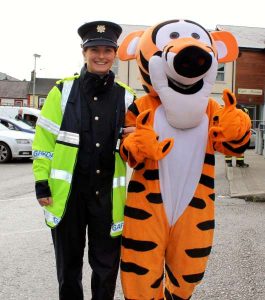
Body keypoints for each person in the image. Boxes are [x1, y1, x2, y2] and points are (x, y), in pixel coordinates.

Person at [32, 20, 135, 300]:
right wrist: (42, 182)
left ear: (115, 54)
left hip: (108, 199)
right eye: (94, 50)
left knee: (105, 268)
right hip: (69, 196)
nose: (101, 56)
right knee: (69, 268)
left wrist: (134, 139)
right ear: (83, 52)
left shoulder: (127, 97)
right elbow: (44, 142)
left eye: (107, 50)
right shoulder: (62, 92)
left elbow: (137, 146)